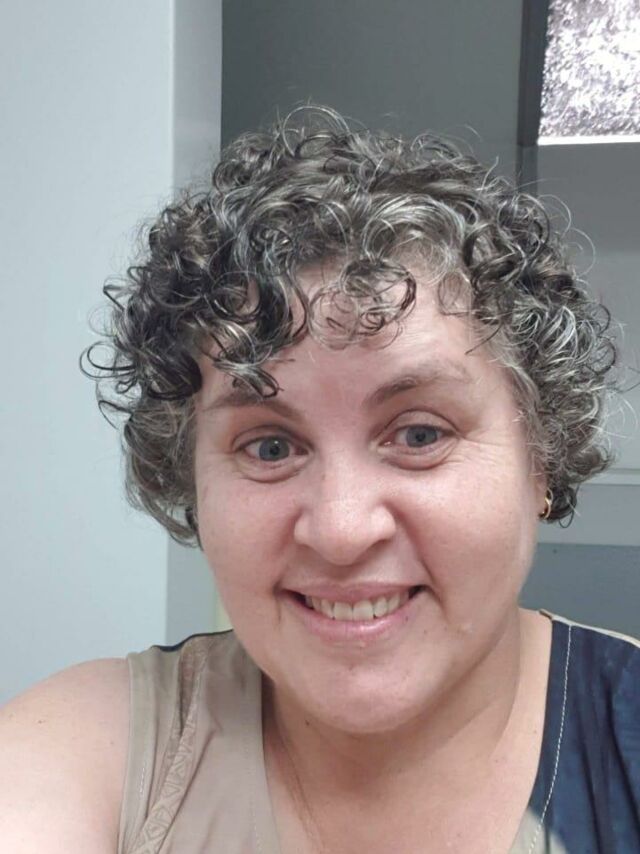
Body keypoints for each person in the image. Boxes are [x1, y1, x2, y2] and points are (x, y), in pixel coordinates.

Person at [1, 106, 638, 854]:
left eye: (420, 434)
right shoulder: (100, 748)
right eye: (270, 447)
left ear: (541, 458)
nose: (341, 530)